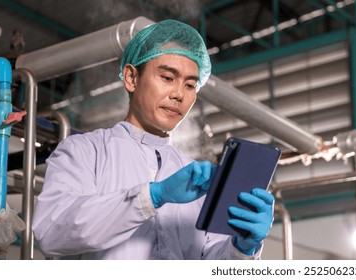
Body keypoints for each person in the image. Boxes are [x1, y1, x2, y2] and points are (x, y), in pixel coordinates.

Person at [32, 19, 275, 260]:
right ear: (131, 78)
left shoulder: (195, 178)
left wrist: (243, 248)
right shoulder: (84, 152)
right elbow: (51, 232)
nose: (179, 94)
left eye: (190, 84)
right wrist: (153, 196)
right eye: (168, 78)